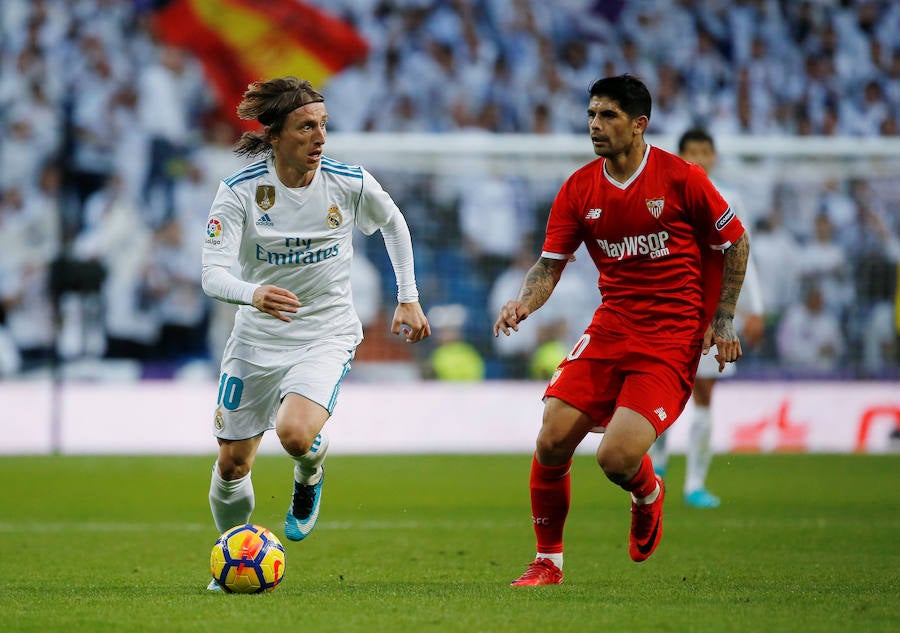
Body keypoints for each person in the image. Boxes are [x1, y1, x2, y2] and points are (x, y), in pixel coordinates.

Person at [493, 75, 749, 586]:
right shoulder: (579, 187)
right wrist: (524, 302)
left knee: (616, 457)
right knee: (551, 439)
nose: (594, 125)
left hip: (670, 336)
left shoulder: (682, 178)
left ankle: (648, 493)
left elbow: (735, 243)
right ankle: (548, 561)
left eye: (608, 115)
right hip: (611, 327)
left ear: (639, 125)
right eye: (591, 114)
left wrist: (721, 319)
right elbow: (549, 265)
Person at [201, 77, 430, 590]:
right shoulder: (239, 193)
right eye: (307, 127)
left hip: (323, 332)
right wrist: (253, 293)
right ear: (276, 135)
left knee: (295, 433)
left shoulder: (349, 182)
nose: (320, 136)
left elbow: (394, 224)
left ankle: (310, 472)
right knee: (233, 463)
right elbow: (212, 274)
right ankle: (234, 561)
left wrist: (408, 296)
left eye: (324, 125)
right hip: (256, 338)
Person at [648, 128, 765, 508]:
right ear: (679, 155)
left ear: (714, 156)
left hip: (711, 311)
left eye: (705, 150)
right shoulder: (664, 194)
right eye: (691, 151)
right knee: (659, 390)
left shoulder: (730, 198)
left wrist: (755, 307)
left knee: (703, 393)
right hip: (668, 307)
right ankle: (658, 469)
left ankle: (695, 483)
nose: (698, 157)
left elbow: (744, 252)